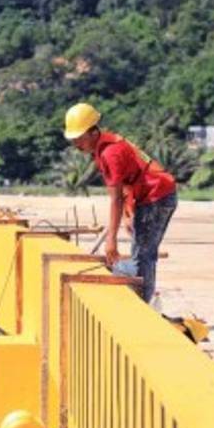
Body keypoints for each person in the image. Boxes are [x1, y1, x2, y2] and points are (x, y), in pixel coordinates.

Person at [63, 102, 178, 304]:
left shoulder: (110, 153)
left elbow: (115, 198)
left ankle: (142, 306)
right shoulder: (105, 146)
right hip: (149, 195)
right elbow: (127, 183)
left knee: (144, 255)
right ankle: (139, 294)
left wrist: (111, 239)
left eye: (79, 138)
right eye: (73, 140)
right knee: (141, 252)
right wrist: (128, 213)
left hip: (156, 195)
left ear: (92, 132)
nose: (76, 144)